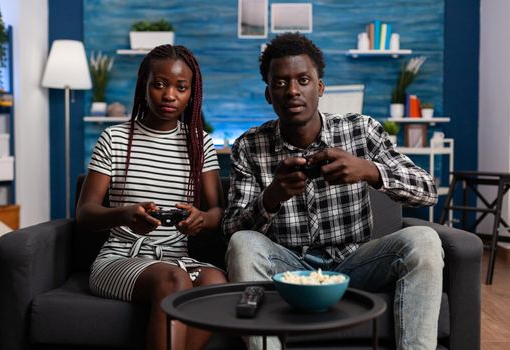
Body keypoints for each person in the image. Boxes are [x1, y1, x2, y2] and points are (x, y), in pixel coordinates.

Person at [222, 32, 443, 350]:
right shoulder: (249, 145)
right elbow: (231, 232)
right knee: (244, 244)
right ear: (269, 94)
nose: (293, 91)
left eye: (303, 79)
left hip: (355, 265)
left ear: (320, 87)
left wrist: (369, 171)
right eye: (281, 83)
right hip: (289, 268)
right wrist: (273, 196)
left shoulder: (360, 131)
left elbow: (428, 190)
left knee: (424, 239)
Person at [76, 45, 227, 350]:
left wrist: (201, 218)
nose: (170, 95)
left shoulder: (200, 144)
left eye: (181, 87)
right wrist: (124, 214)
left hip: (176, 259)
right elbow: (85, 213)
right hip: (120, 259)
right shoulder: (114, 139)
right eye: (159, 84)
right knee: (174, 281)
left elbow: (218, 212)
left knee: (216, 284)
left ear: (191, 93)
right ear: (143, 86)